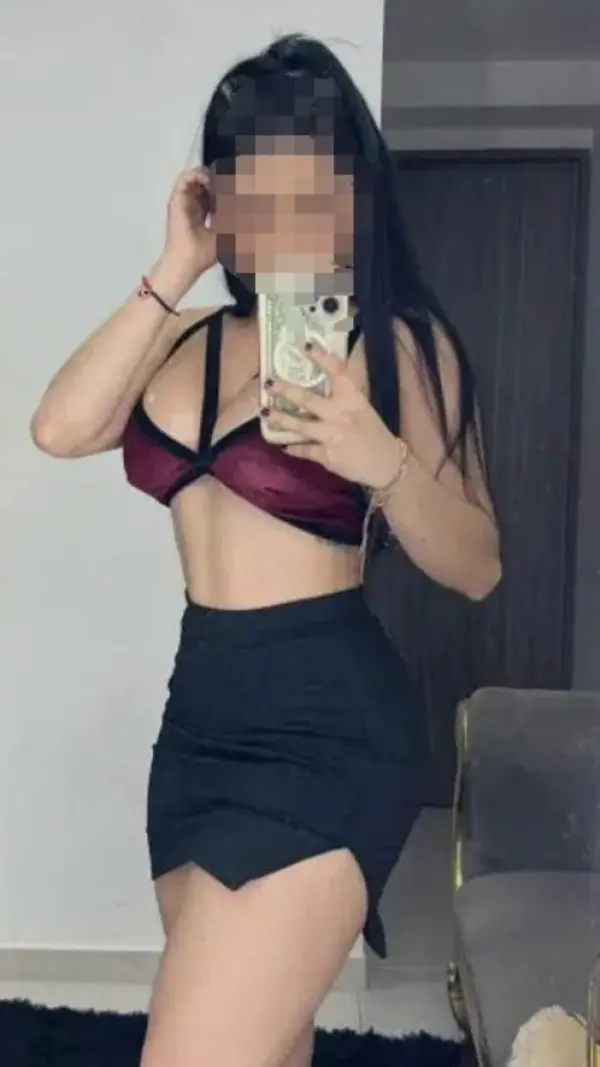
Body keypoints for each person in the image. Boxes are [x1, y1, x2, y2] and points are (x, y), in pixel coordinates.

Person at [31, 33, 501, 1067]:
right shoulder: (183, 334)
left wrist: (382, 462)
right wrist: (176, 265)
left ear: (354, 195)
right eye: (257, 187)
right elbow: (60, 428)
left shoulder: (401, 344)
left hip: (329, 731)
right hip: (198, 726)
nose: (286, 217)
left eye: (311, 188)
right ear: (222, 198)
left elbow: (478, 564)